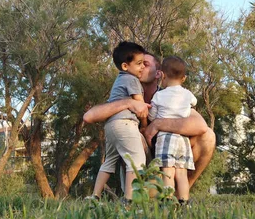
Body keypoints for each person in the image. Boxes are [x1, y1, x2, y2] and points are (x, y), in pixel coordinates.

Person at [83, 53, 216, 190]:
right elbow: (89, 116)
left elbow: (200, 125)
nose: (140, 67)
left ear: (159, 74)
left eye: (145, 64)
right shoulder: (125, 94)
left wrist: (157, 124)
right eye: (138, 63)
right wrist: (129, 102)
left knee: (208, 137)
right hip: (142, 164)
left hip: (167, 157)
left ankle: (181, 193)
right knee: (133, 135)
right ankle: (136, 191)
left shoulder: (170, 96)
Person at [87, 41, 148, 204]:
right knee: (136, 161)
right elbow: (141, 107)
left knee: (110, 161)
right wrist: (144, 125)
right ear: (125, 66)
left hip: (111, 125)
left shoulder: (120, 79)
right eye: (139, 63)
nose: (143, 67)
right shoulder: (132, 79)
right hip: (125, 123)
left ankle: (95, 196)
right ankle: (129, 200)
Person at [148, 56, 196, 204]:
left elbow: (152, 116)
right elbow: (194, 103)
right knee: (181, 172)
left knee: (167, 171)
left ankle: (168, 201)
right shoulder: (187, 94)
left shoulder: (159, 95)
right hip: (183, 138)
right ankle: (184, 202)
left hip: (166, 137)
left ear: (162, 75)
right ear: (184, 78)